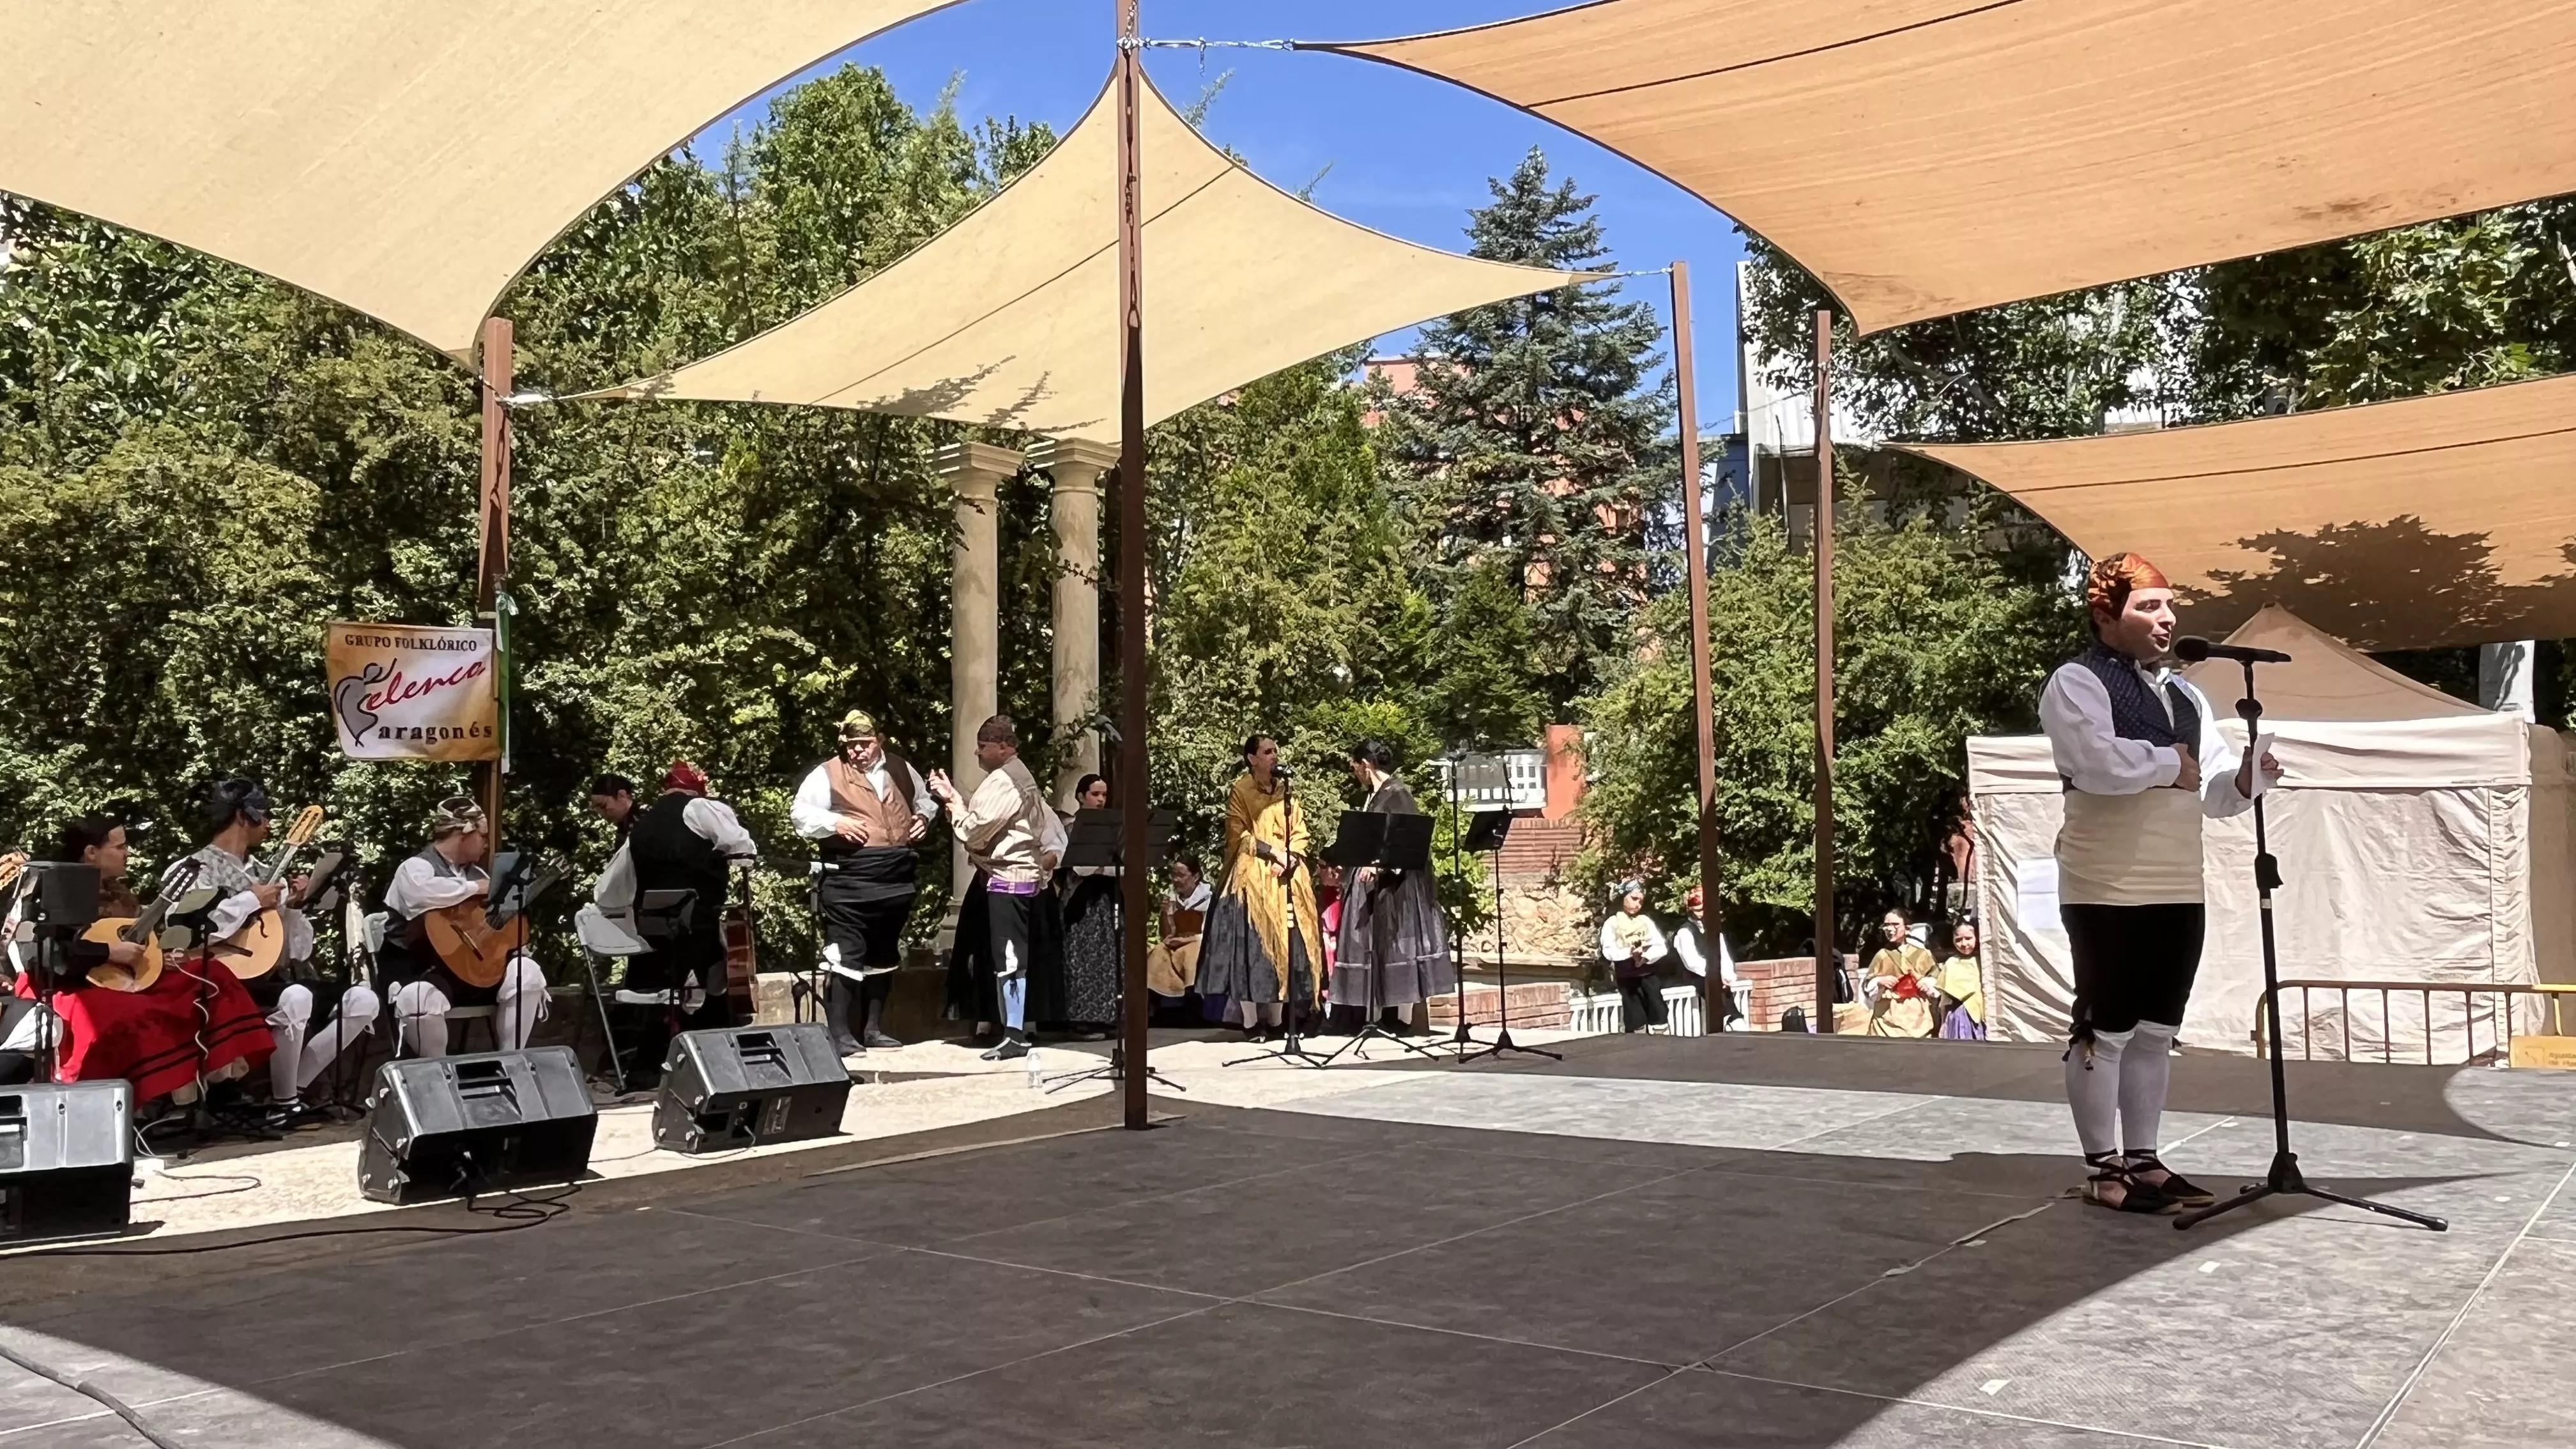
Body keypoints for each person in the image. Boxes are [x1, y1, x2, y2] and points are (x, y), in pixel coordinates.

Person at [2044, 551, 2278, 1213]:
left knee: (2155, 1029)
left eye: (2171, 605)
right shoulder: (2077, 681)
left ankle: (2143, 1160)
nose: (2167, 618)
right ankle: (2103, 1169)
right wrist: (2168, 764)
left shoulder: (2186, 695)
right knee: (2105, 1027)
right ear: (2105, 614)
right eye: (2149, 606)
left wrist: (2244, 782)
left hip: (2179, 881)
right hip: (2106, 881)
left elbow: (2210, 787)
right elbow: (2094, 763)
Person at [12, 813, 271, 1105]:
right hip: (70, 986)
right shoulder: (54, 890)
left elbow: (135, 946)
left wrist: (158, 958)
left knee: (209, 973)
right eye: (120, 846)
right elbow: (46, 956)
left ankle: (219, 1080)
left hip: (122, 979)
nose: (128, 853)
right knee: (126, 1014)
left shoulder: (120, 894)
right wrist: (108, 952)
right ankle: (147, 1097)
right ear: (91, 852)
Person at [791, 711, 935, 1057]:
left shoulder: (900, 768)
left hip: (895, 877)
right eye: (851, 744)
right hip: (850, 879)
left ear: (879, 741)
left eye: (865, 744)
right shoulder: (827, 773)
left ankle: (873, 1029)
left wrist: (923, 817)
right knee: (846, 951)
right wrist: (835, 823)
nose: (857, 751)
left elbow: (925, 800)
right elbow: (801, 814)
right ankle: (840, 1035)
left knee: (884, 952)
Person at [930, 715, 1062, 1061]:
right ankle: (1012, 1030)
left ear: (1004, 747)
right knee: (1012, 959)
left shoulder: (1005, 781)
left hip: (1010, 879)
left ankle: (1014, 1035)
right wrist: (955, 798)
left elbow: (974, 832)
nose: (977, 752)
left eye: (983, 746)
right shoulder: (1019, 775)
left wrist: (952, 803)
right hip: (1019, 877)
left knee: (1009, 958)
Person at [378, 797, 551, 1059]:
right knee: (418, 997)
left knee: (527, 972)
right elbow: (423, 894)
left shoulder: (478, 874)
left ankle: (510, 1062)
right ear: (464, 833)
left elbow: (487, 925)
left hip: (474, 972)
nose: (486, 844)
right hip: (422, 970)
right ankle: (439, 1072)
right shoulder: (415, 868)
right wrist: (476, 888)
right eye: (483, 836)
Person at [623, 760, 758, 1079]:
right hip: (695, 919)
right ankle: (719, 1064)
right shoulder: (699, 807)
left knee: (656, 995)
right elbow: (743, 850)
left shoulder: (642, 823)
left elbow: (617, 882)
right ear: (697, 788)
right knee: (715, 985)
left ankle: (646, 1070)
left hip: (650, 923)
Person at [1197, 734, 1324, 1042]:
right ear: (1252, 759)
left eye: (1275, 751)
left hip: (1287, 876)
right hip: (1252, 876)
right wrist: (1274, 852)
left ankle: (1278, 1020)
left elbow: (1300, 831)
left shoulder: (1285, 791)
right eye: (1267, 752)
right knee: (1252, 952)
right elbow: (1237, 835)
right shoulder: (1241, 790)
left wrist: (1292, 855)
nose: (1274, 756)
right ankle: (1252, 1022)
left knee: (1291, 948)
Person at [1330, 739, 1452, 1033]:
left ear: (1366, 765)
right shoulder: (1375, 795)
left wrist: (1379, 865)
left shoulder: (1397, 793)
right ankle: (1373, 1016)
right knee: (1372, 948)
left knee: (1398, 949)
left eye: (1356, 767)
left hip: (1397, 889)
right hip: (1373, 887)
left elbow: (1407, 839)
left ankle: (1402, 1020)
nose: (1355, 773)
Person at [1051, 773, 1120, 1039]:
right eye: (1095, 794)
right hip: (1079, 902)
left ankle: (1105, 1017)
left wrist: (1103, 868)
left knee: (1107, 959)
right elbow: (1079, 867)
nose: (1101, 800)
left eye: (1104, 795)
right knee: (1080, 959)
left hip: (1105, 900)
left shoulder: (1112, 829)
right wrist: (1102, 867)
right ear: (1081, 796)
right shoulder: (1071, 828)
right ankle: (1080, 1020)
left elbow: (1122, 867)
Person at [1600, 881, 1671, 1032]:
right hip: (1627, 978)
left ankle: (1661, 1041)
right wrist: (1629, 953)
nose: (1638, 904)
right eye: (1634, 899)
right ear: (1623, 897)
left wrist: (1646, 955)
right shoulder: (1612, 923)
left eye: (1641, 901)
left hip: (1648, 976)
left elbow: (1661, 946)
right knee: (1635, 1017)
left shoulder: (1645, 921)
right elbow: (1608, 950)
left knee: (1658, 1012)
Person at [1671, 885, 1742, 1031]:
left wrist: (1727, 976)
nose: (1702, 913)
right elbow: (1692, 962)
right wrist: (1716, 974)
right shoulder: (1685, 932)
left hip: (1716, 978)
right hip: (1696, 978)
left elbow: (1724, 955)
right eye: (1698, 910)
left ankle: (1734, 1020)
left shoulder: (1714, 930)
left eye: (1704, 909)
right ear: (1690, 910)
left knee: (1725, 1000)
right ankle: (1730, 1021)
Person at [1862, 907, 1938, 1038]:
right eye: (1886, 925)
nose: (1890, 929)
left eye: (1895, 924)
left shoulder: (1922, 954)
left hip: (1916, 1015)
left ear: (1907, 928)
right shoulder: (1882, 955)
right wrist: (1880, 981)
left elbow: (1936, 977)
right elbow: (1867, 984)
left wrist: (1927, 984)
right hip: (1886, 1014)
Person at [1146, 855, 1209, 1004]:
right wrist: (1167, 914)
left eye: (1181, 875)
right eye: (1174, 874)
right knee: (1159, 951)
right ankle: (1157, 999)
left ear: (1195, 877)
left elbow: (1209, 934)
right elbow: (1168, 934)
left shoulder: (1207, 899)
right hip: (1177, 942)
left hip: (1198, 942)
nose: (1175, 879)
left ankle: (1193, 999)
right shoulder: (1173, 898)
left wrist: (1184, 940)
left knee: (1191, 953)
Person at [1936, 919, 1986, 1041]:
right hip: (1957, 1013)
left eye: (1968, 938)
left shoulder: (1984, 961)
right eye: (1958, 940)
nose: (1964, 944)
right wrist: (1943, 1024)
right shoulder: (1951, 963)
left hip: (1980, 1013)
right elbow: (1945, 999)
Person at [589, 774, 637, 839]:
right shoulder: (623, 827)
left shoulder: (645, 818)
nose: (599, 813)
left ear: (622, 795)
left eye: (602, 806)